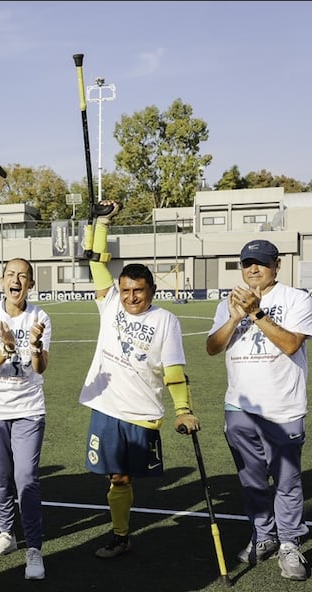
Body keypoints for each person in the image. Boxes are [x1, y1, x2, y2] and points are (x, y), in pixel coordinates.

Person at [78, 201, 200, 559]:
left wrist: (183, 410)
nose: (131, 297)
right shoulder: (110, 302)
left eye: (139, 291)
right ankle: (121, 535)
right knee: (115, 477)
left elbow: (174, 370)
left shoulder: (166, 321)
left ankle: (122, 533)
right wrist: (100, 222)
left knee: (126, 478)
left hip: (141, 410)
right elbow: (94, 260)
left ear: (151, 291)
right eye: (127, 290)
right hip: (106, 406)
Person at [206, 239, 312, 581]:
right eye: (247, 263)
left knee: (287, 481)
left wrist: (255, 313)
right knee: (251, 480)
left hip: (283, 407)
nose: (253, 269)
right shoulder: (230, 302)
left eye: (261, 263)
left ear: (277, 266)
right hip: (238, 405)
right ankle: (263, 535)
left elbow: (290, 344)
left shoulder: (297, 298)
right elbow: (212, 347)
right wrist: (235, 316)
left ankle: (290, 543)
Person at [0, 258, 51, 580]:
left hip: (29, 409)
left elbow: (40, 367)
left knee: (27, 478)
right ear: (2, 281)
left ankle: (34, 548)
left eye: (23, 276)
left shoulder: (40, 316)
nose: (16, 280)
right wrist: (7, 349)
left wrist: (34, 345)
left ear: (31, 284)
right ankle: (7, 534)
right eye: (10, 275)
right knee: (1, 477)